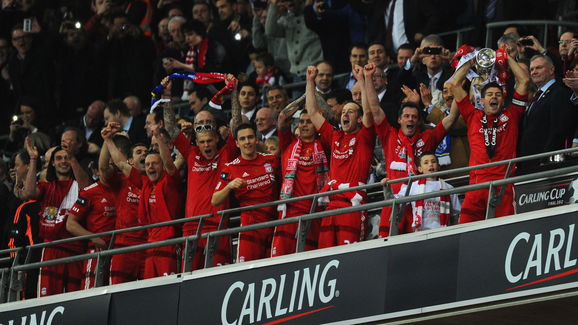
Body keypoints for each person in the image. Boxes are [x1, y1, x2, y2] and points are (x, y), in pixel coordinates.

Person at [364, 61, 459, 237]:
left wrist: (460, 84)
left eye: (414, 117)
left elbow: (451, 118)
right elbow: (375, 108)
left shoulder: (427, 138)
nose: (410, 119)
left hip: (418, 207)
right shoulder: (389, 136)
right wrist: (368, 79)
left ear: (419, 121)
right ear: (399, 120)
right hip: (394, 205)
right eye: (406, 116)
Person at [165, 75, 241, 270]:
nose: (206, 145)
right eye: (202, 141)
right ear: (196, 143)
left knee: (218, 276)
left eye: (210, 140)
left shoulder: (226, 154)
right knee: (189, 278)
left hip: (217, 225)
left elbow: (237, 125)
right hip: (190, 227)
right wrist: (166, 96)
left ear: (217, 139)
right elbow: (171, 130)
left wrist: (233, 94)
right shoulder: (191, 155)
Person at [448, 48, 530, 224]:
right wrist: (470, 61)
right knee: (466, 231)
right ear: (482, 100)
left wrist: (506, 57)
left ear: (503, 99)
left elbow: (524, 80)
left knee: (505, 230)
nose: (494, 97)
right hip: (476, 185)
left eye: (498, 95)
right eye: (490, 95)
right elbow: (454, 85)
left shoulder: (512, 114)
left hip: (504, 186)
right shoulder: (473, 116)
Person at [306, 64, 375, 247]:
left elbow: (369, 112)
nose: (345, 114)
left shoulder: (365, 138)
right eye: (343, 112)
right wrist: (310, 81)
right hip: (330, 206)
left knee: (350, 258)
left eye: (350, 112)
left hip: (353, 205)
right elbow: (312, 112)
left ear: (359, 119)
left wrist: (362, 80)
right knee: (325, 255)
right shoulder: (335, 135)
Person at [22, 137, 92, 297]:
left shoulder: (79, 183)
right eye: (59, 158)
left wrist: (72, 158)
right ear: (52, 163)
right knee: (49, 299)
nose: (63, 161)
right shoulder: (47, 187)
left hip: (77, 249)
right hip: (52, 249)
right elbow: (29, 192)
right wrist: (33, 159)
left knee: (76, 299)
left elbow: (87, 187)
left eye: (66, 157)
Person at [271, 95, 331, 256]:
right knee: (281, 259)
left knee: (311, 258)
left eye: (309, 121)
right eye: (301, 122)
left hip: (316, 211)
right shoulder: (288, 143)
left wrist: (314, 102)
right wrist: (306, 96)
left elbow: (328, 116)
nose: (304, 125)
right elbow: (283, 116)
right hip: (290, 210)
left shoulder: (324, 145)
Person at [212, 123, 280, 262]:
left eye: (250, 137)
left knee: (277, 268)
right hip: (250, 227)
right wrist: (229, 186)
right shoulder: (230, 167)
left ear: (256, 139)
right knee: (248, 272)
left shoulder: (270, 160)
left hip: (275, 223)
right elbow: (215, 200)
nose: (247, 142)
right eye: (242, 139)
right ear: (237, 143)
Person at [98, 123, 148, 284]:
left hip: (149, 244)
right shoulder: (122, 181)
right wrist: (107, 141)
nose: (144, 155)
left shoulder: (155, 181)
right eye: (139, 152)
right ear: (131, 161)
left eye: (146, 152)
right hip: (124, 246)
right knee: (119, 293)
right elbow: (103, 167)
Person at [136, 125, 183, 278]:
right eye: (147, 164)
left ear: (162, 166)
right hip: (150, 245)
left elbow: (170, 164)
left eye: (155, 163)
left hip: (169, 243)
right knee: (150, 290)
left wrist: (158, 137)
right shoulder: (146, 186)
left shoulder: (169, 182)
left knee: (169, 287)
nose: (150, 167)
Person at [517, 54, 576, 172]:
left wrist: (545, 160)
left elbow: (558, 129)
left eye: (538, 68)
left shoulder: (559, 92)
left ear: (551, 69)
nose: (534, 72)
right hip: (529, 164)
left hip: (543, 165)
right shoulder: (537, 96)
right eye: (532, 69)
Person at [384, 152, 461, 233]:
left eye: (433, 162)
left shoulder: (449, 187)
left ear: (438, 166)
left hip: (444, 231)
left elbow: (456, 214)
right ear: (420, 169)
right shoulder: (413, 186)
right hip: (421, 233)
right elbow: (395, 202)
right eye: (426, 163)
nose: (430, 165)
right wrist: (387, 189)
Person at [66, 179, 116, 290]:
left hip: (119, 252)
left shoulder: (122, 186)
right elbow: (70, 224)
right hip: (97, 252)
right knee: (90, 295)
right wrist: (93, 237)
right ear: (97, 171)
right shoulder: (89, 192)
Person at [265, 0, 323, 80]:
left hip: (316, 73)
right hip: (297, 75)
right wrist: (274, 6)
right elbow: (270, 31)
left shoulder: (313, 15)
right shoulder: (286, 19)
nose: (289, 2)